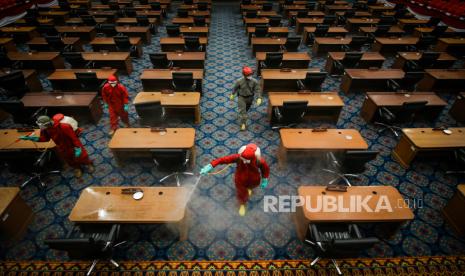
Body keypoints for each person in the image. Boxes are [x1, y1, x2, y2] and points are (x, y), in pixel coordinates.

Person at [200, 143, 269, 216]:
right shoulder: (238, 157)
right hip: (240, 179)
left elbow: (265, 169)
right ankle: (242, 204)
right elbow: (222, 160)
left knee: (252, 186)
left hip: (254, 179)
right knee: (241, 193)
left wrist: (265, 179)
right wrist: (210, 165)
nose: (244, 161)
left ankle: (249, 189)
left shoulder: (260, 161)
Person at [19, 114, 93, 178]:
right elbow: (45, 138)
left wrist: (78, 147)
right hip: (61, 147)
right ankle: (77, 168)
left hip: (72, 145)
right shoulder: (46, 129)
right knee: (69, 159)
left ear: (47, 123)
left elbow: (74, 138)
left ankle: (88, 164)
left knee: (81, 156)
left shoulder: (64, 127)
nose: (40, 127)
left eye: (41, 125)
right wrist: (33, 138)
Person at [230, 66, 262, 131]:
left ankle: (242, 115)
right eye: (248, 75)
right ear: (244, 75)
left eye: (251, 74)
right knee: (243, 112)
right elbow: (235, 88)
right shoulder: (239, 81)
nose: (250, 76)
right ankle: (243, 124)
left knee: (246, 110)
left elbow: (257, 89)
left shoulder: (254, 81)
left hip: (250, 98)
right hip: (241, 97)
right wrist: (232, 94)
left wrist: (259, 98)